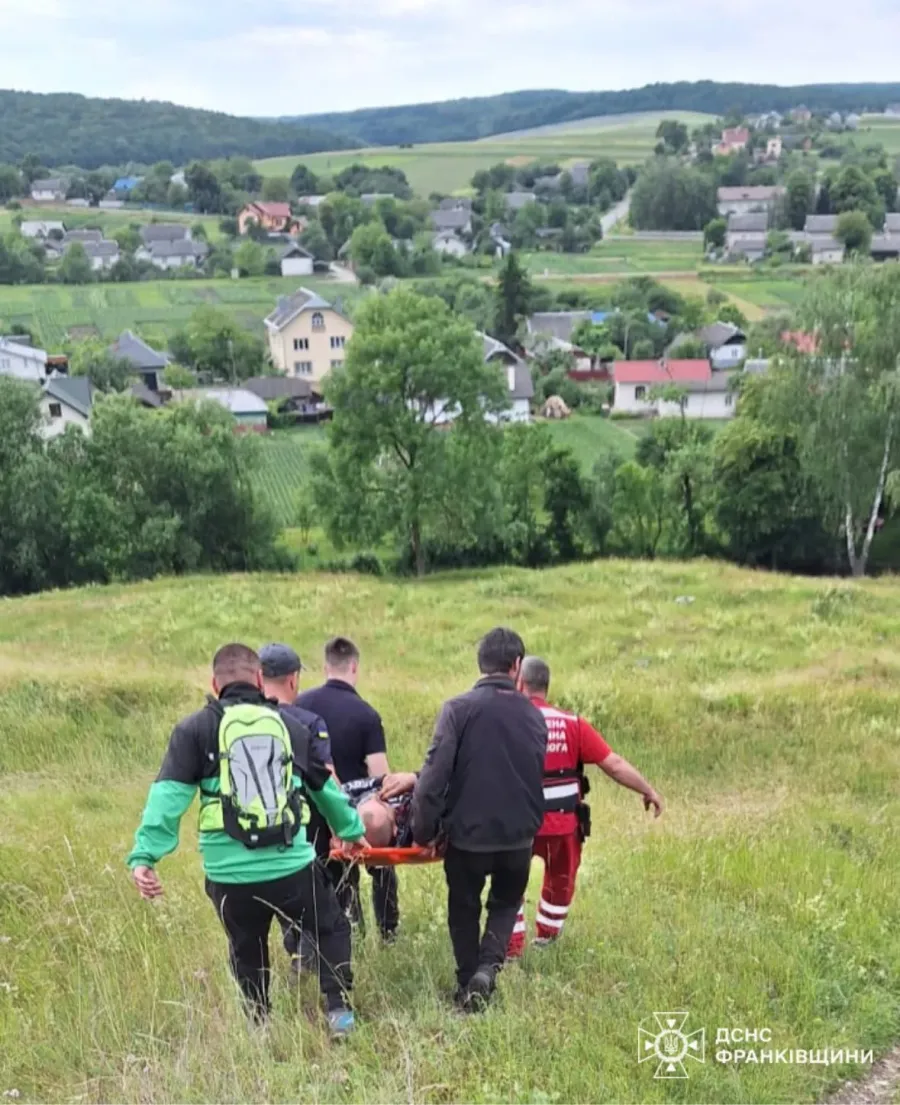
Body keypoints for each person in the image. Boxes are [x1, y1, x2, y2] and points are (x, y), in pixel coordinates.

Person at [126, 643, 366, 1036]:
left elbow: (166, 799)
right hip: (291, 867)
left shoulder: (196, 729)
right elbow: (325, 790)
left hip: (229, 875)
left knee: (246, 945)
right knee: (330, 927)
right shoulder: (291, 727)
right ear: (259, 680)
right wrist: (352, 831)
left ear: (214, 683)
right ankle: (338, 1011)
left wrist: (144, 857)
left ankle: (259, 1024)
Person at [410, 627, 547, 1012]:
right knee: (506, 903)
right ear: (517, 665)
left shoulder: (458, 709)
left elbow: (435, 775)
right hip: (519, 834)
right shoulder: (535, 718)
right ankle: (488, 968)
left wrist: (424, 829)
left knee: (464, 905)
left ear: (481, 664)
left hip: (468, 837)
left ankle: (467, 979)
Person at [507, 656, 664, 958]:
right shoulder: (572, 724)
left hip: (518, 824)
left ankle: (511, 950)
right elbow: (614, 765)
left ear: (521, 683)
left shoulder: (509, 722)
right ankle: (547, 938)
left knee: (510, 882)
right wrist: (647, 790)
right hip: (563, 825)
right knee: (560, 878)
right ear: (546, 687)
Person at [297, 637, 399, 941]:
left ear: (326, 666)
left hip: (311, 809)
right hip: (355, 813)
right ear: (354, 666)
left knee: (335, 876)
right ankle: (388, 930)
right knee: (381, 864)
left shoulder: (300, 707)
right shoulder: (366, 714)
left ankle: (350, 931)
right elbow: (382, 777)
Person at [258, 641, 334, 974]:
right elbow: (326, 778)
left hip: (258, 827)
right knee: (317, 898)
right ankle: (306, 955)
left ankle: (296, 946)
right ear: (294, 679)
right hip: (308, 827)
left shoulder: (245, 721)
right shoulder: (308, 721)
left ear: (259, 679)